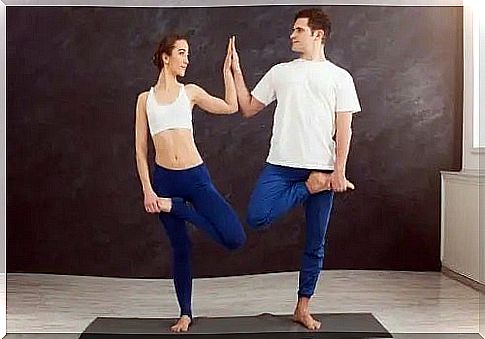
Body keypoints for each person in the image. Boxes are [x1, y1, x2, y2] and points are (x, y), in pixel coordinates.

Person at [230, 8, 361, 330]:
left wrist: (338, 173)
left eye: (298, 30)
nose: (292, 35)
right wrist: (235, 70)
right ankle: (308, 188)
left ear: (318, 34)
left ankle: (303, 306)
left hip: (323, 168)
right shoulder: (280, 72)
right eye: (293, 30)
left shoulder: (339, 77)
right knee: (258, 216)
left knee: (315, 242)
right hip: (283, 166)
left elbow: (345, 129)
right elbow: (248, 108)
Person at [135, 34, 246, 332]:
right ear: (165, 57)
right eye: (182, 53)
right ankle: (185, 313)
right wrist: (148, 189)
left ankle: (178, 208)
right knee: (181, 248)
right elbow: (140, 150)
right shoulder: (145, 100)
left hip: (195, 178)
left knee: (235, 238)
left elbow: (231, 106)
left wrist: (229, 72)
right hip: (164, 182)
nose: (187, 59)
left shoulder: (191, 92)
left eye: (188, 54)